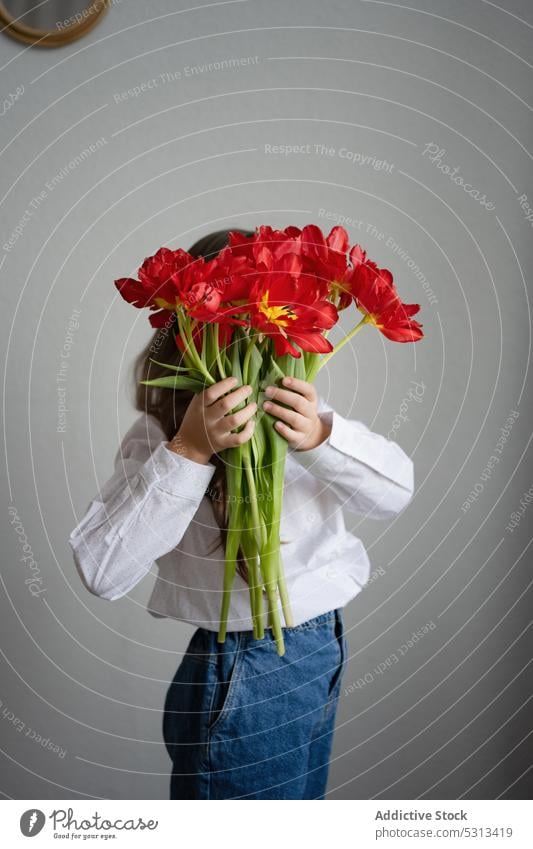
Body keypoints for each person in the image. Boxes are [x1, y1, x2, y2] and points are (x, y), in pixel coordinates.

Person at [69, 228, 415, 800]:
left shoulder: (300, 407)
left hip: (317, 650)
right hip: (241, 669)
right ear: (190, 327)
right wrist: (191, 450)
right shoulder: (163, 436)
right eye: (241, 309)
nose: (266, 322)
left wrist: (323, 438)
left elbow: (393, 493)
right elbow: (103, 572)